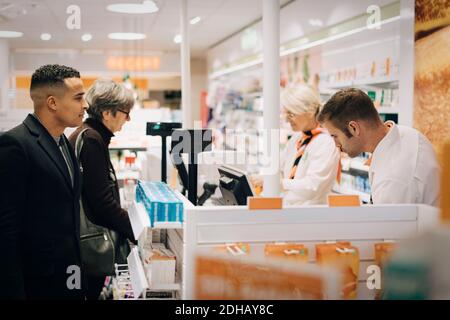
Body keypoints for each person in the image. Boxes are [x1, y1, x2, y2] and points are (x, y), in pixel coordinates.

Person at [0, 64, 88, 299]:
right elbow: (6, 231)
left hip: (69, 275)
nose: (85, 105)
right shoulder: (15, 145)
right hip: (37, 283)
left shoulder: (64, 143)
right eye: (79, 98)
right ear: (52, 103)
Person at [68, 79, 135, 300]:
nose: (128, 118)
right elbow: (102, 203)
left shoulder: (88, 135)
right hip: (89, 247)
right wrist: (136, 230)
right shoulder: (91, 140)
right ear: (107, 113)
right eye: (125, 112)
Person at [317, 88, 440, 206]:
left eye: (335, 136)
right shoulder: (408, 133)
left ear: (354, 128)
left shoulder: (392, 182)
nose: (335, 144)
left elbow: (390, 227)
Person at [278, 85, 340, 205]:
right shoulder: (297, 138)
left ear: (309, 112)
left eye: (291, 114)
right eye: (286, 114)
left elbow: (312, 186)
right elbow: (281, 168)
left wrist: (281, 183)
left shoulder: (326, 143)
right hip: (289, 211)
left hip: (310, 216)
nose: (286, 120)